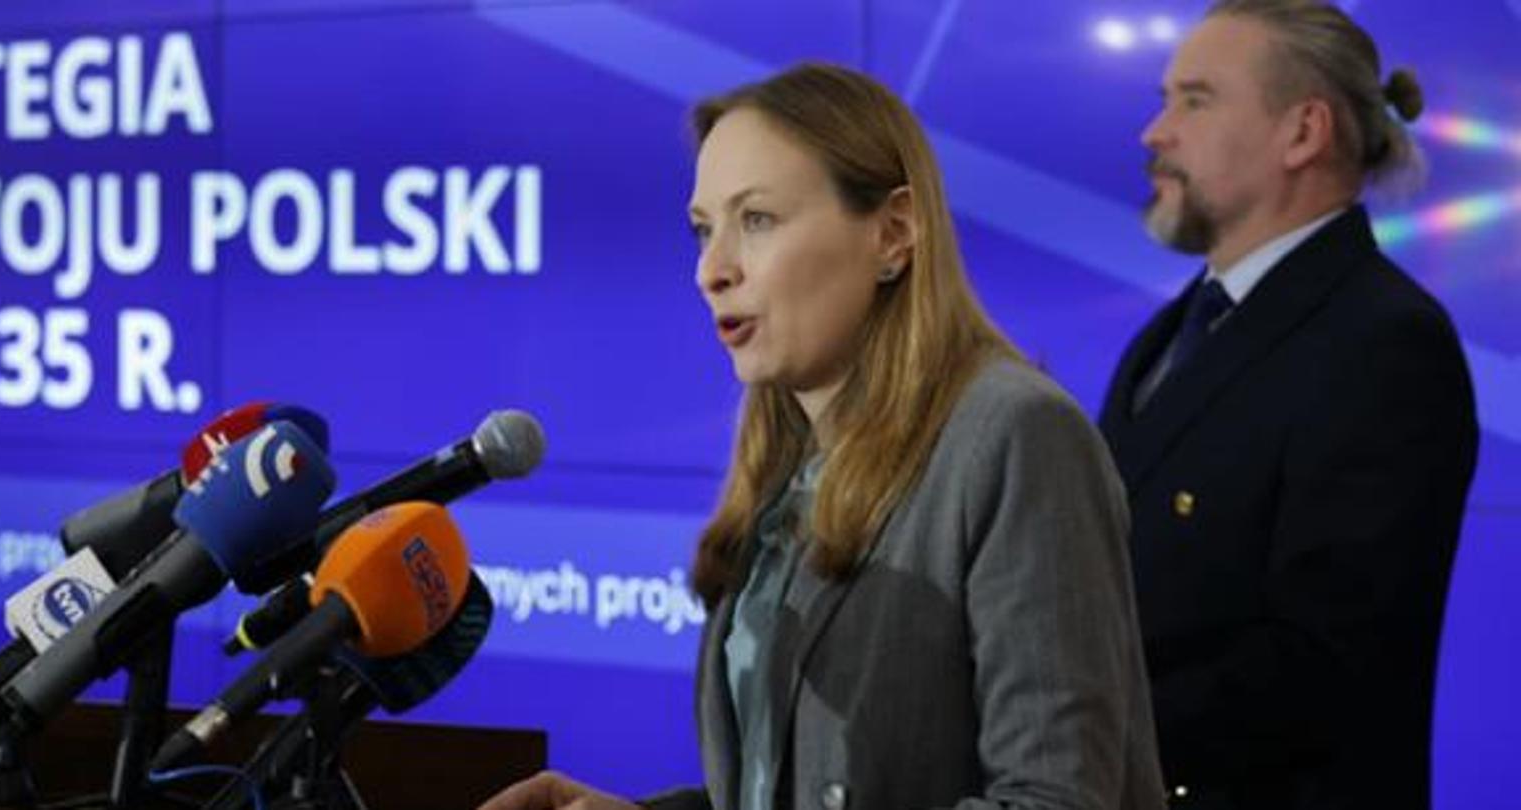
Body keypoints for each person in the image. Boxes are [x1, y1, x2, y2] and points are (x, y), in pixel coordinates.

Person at [480, 63, 1164, 810]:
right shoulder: (784, 463)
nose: (713, 270)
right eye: (704, 230)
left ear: (895, 233)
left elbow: (1056, 799)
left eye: (758, 220)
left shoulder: (1016, 435)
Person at [1098, 2, 1479, 807]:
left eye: (1193, 101)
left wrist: (1073, 733)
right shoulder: (1172, 332)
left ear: (1303, 132)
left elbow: (1321, 660)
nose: (1154, 133)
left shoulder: (1385, 342)